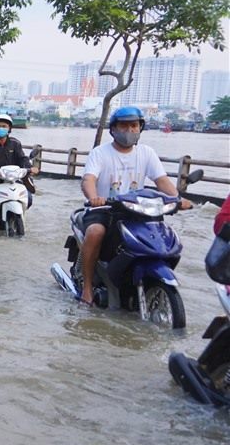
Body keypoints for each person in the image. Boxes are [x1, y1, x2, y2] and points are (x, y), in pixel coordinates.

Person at [77, 105, 192, 305]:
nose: (129, 130)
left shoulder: (147, 153)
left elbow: (161, 180)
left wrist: (177, 198)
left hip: (137, 210)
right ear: (113, 129)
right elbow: (88, 179)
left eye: (134, 125)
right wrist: (94, 197)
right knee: (95, 232)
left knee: (161, 235)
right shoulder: (100, 153)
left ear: (140, 128)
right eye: (124, 126)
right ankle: (87, 288)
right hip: (105, 209)